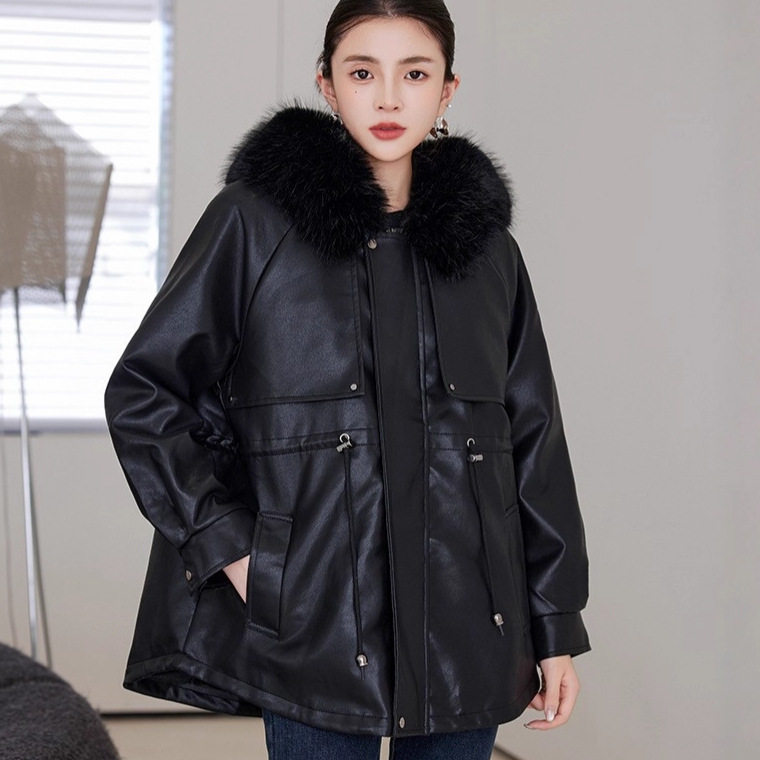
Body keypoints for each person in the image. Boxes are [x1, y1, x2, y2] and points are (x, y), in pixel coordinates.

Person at [103, 1, 591, 758]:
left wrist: (554, 622)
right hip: (315, 624)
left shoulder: (488, 252)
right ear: (327, 85)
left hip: (471, 625)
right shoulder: (254, 223)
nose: (389, 98)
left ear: (448, 90)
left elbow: (532, 441)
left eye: (415, 74)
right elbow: (146, 391)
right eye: (363, 73)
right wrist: (232, 549)